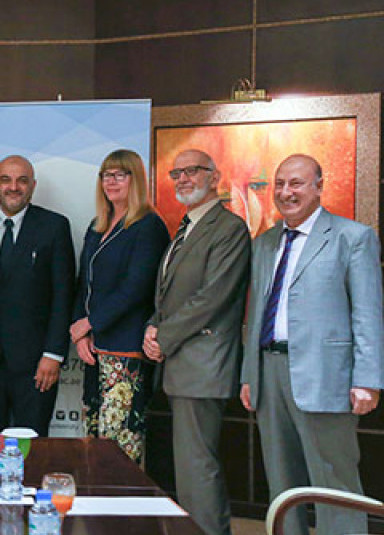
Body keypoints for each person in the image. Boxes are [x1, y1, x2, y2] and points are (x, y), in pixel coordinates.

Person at [240, 154, 383, 535]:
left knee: (333, 483)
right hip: (269, 374)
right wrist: (249, 374)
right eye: (280, 184)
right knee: (281, 484)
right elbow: (256, 313)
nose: (286, 192)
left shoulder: (352, 237)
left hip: (326, 376)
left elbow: (367, 314)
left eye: (297, 183)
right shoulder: (265, 243)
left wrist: (367, 380)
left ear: (319, 187)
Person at [142, 149, 250, 535]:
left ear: (214, 177)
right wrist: (152, 326)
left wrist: (164, 336)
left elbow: (212, 297)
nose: (183, 179)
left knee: (197, 467)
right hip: (182, 365)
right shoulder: (186, 227)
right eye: (177, 173)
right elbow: (169, 295)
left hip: (203, 366)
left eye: (192, 171)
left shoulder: (228, 228)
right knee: (189, 467)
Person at [69, 149, 169, 462]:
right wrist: (81, 332)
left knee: (120, 442)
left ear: (135, 179)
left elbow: (136, 288)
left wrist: (91, 323)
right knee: (93, 435)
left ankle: (122, 496)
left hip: (125, 349)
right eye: (106, 175)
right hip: (94, 349)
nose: (110, 182)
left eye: (119, 175)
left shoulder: (148, 226)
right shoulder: (98, 225)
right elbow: (83, 283)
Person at [0, 155, 75, 435]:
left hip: (36, 363)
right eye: (6, 180)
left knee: (33, 445)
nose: (13, 187)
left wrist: (53, 354)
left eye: (22, 180)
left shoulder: (54, 226)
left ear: (33, 186)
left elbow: (63, 294)